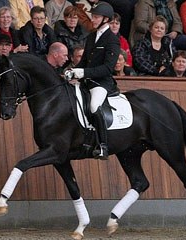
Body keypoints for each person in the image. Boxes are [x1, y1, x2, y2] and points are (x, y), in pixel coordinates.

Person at [68, 1, 120, 160]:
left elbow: (107, 69)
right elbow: (84, 61)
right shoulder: (91, 36)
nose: (93, 19)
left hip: (102, 83)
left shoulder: (112, 40)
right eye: (93, 16)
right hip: (87, 81)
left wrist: (83, 72)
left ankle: (103, 145)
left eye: (96, 17)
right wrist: (72, 70)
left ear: (106, 19)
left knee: (93, 106)